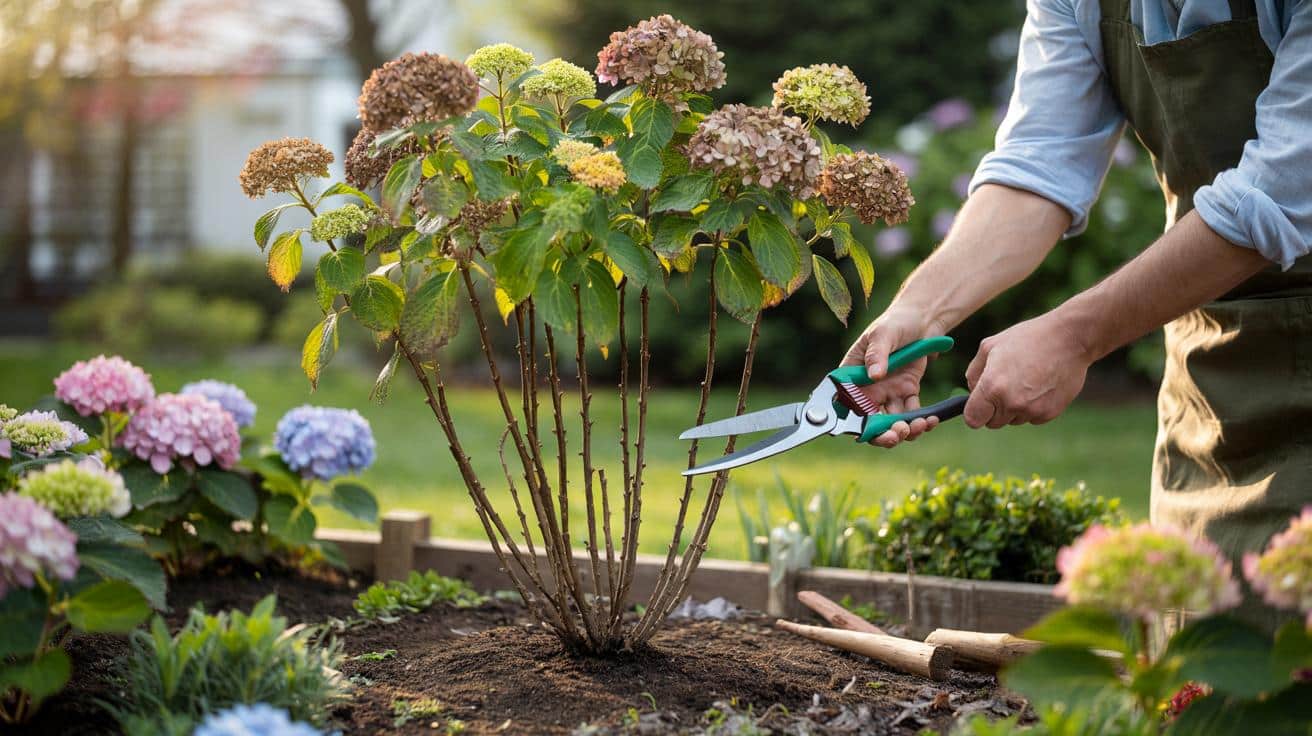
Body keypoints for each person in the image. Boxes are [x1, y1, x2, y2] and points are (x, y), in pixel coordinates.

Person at [843, 0, 1311, 628]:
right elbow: (1039, 163)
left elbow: (1278, 192)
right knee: (1201, 673)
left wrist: (1074, 336)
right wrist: (921, 310)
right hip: (1215, 382)